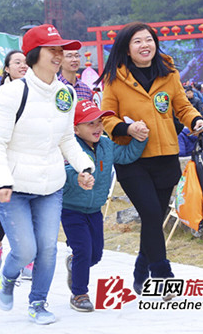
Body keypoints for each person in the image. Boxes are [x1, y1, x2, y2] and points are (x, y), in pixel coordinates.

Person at [0, 24, 95, 325]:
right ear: (34, 55)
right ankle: (8, 277)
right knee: (25, 250)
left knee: (47, 248)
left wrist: (84, 166)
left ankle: (38, 303)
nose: (59, 55)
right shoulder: (11, 93)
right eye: (53, 50)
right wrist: (1, 181)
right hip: (15, 187)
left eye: (62, 49)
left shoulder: (66, 94)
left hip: (51, 185)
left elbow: (66, 139)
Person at [97, 22, 203, 298]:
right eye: (137, 41)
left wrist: (195, 120)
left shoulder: (169, 74)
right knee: (151, 213)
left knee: (153, 218)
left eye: (149, 40)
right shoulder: (114, 78)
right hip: (132, 160)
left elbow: (181, 105)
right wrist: (127, 129)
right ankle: (162, 274)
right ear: (127, 48)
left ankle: (140, 269)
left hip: (166, 157)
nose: (145, 45)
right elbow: (106, 116)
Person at [62, 100, 147, 312]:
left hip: (94, 210)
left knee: (95, 254)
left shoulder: (106, 145)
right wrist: (78, 177)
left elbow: (126, 155)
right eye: (90, 123)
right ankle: (79, 294)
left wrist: (140, 139)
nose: (97, 127)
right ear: (75, 128)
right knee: (83, 249)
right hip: (71, 209)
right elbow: (63, 174)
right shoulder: (69, 147)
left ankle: (74, 264)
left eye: (99, 121)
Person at [0, 50, 33, 278]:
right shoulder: (2, 95)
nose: (23, 66)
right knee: (7, 209)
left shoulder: (37, 90)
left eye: (26, 62)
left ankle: (28, 258)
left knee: (31, 207)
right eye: (17, 62)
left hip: (32, 159)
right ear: (7, 68)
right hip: (8, 159)